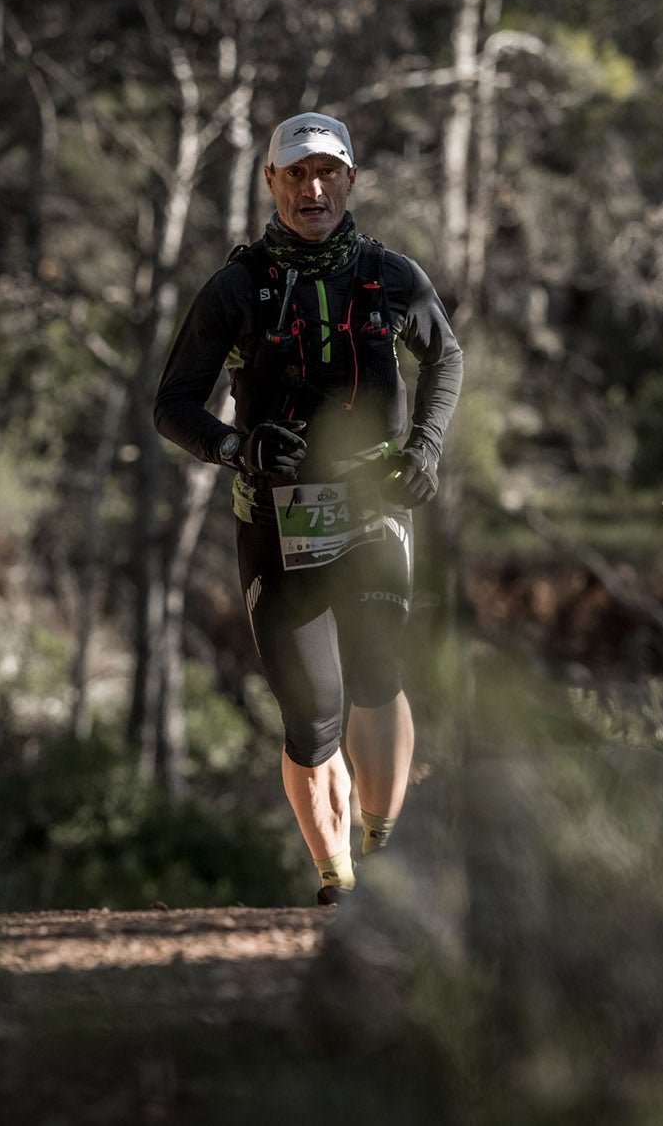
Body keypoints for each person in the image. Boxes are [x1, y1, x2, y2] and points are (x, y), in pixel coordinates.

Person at [155, 111, 462, 906]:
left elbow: (445, 354)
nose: (312, 188)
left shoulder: (392, 276)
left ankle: (386, 852)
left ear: (351, 179)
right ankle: (337, 877)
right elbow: (173, 404)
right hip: (274, 518)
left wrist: (424, 448)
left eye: (326, 172)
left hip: (373, 502)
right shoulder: (237, 288)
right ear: (271, 184)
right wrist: (235, 446)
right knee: (312, 715)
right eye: (295, 174)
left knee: (375, 665)